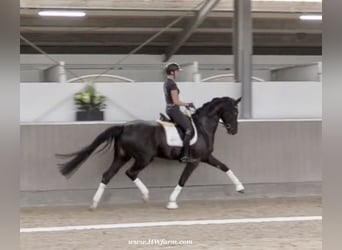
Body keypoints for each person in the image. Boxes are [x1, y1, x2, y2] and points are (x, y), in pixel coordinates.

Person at [163, 62, 196, 163]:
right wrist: (187, 104)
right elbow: (176, 101)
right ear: (172, 72)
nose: (178, 73)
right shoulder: (172, 84)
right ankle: (184, 155)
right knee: (189, 129)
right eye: (177, 71)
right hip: (173, 109)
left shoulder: (167, 82)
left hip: (170, 109)